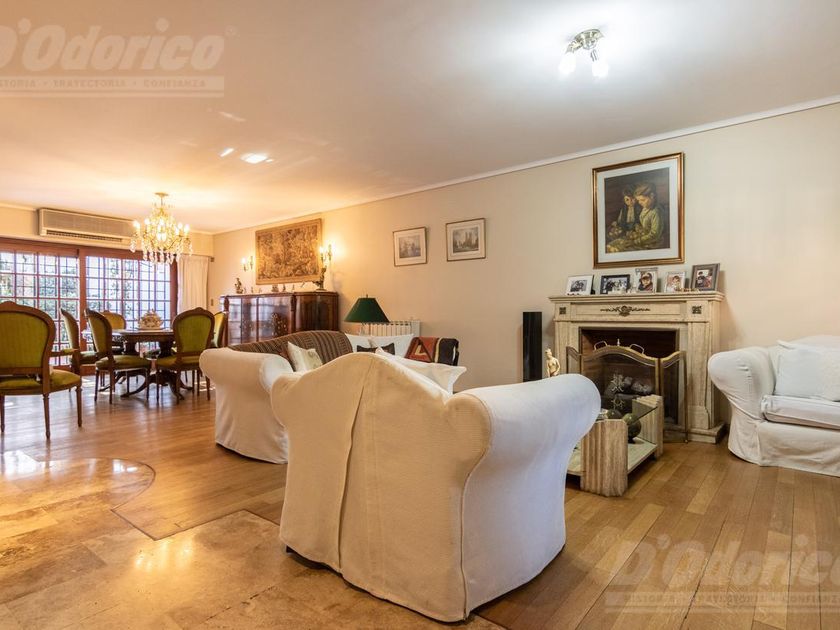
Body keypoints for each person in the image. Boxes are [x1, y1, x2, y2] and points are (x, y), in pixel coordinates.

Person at [607, 181, 666, 252]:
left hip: (651, 242)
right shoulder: (646, 207)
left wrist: (636, 241)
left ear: (652, 196)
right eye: (638, 200)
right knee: (615, 244)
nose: (640, 203)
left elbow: (654, 234)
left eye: (642, 200)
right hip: (642, 237)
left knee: (622, 248)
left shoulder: (656, 212)